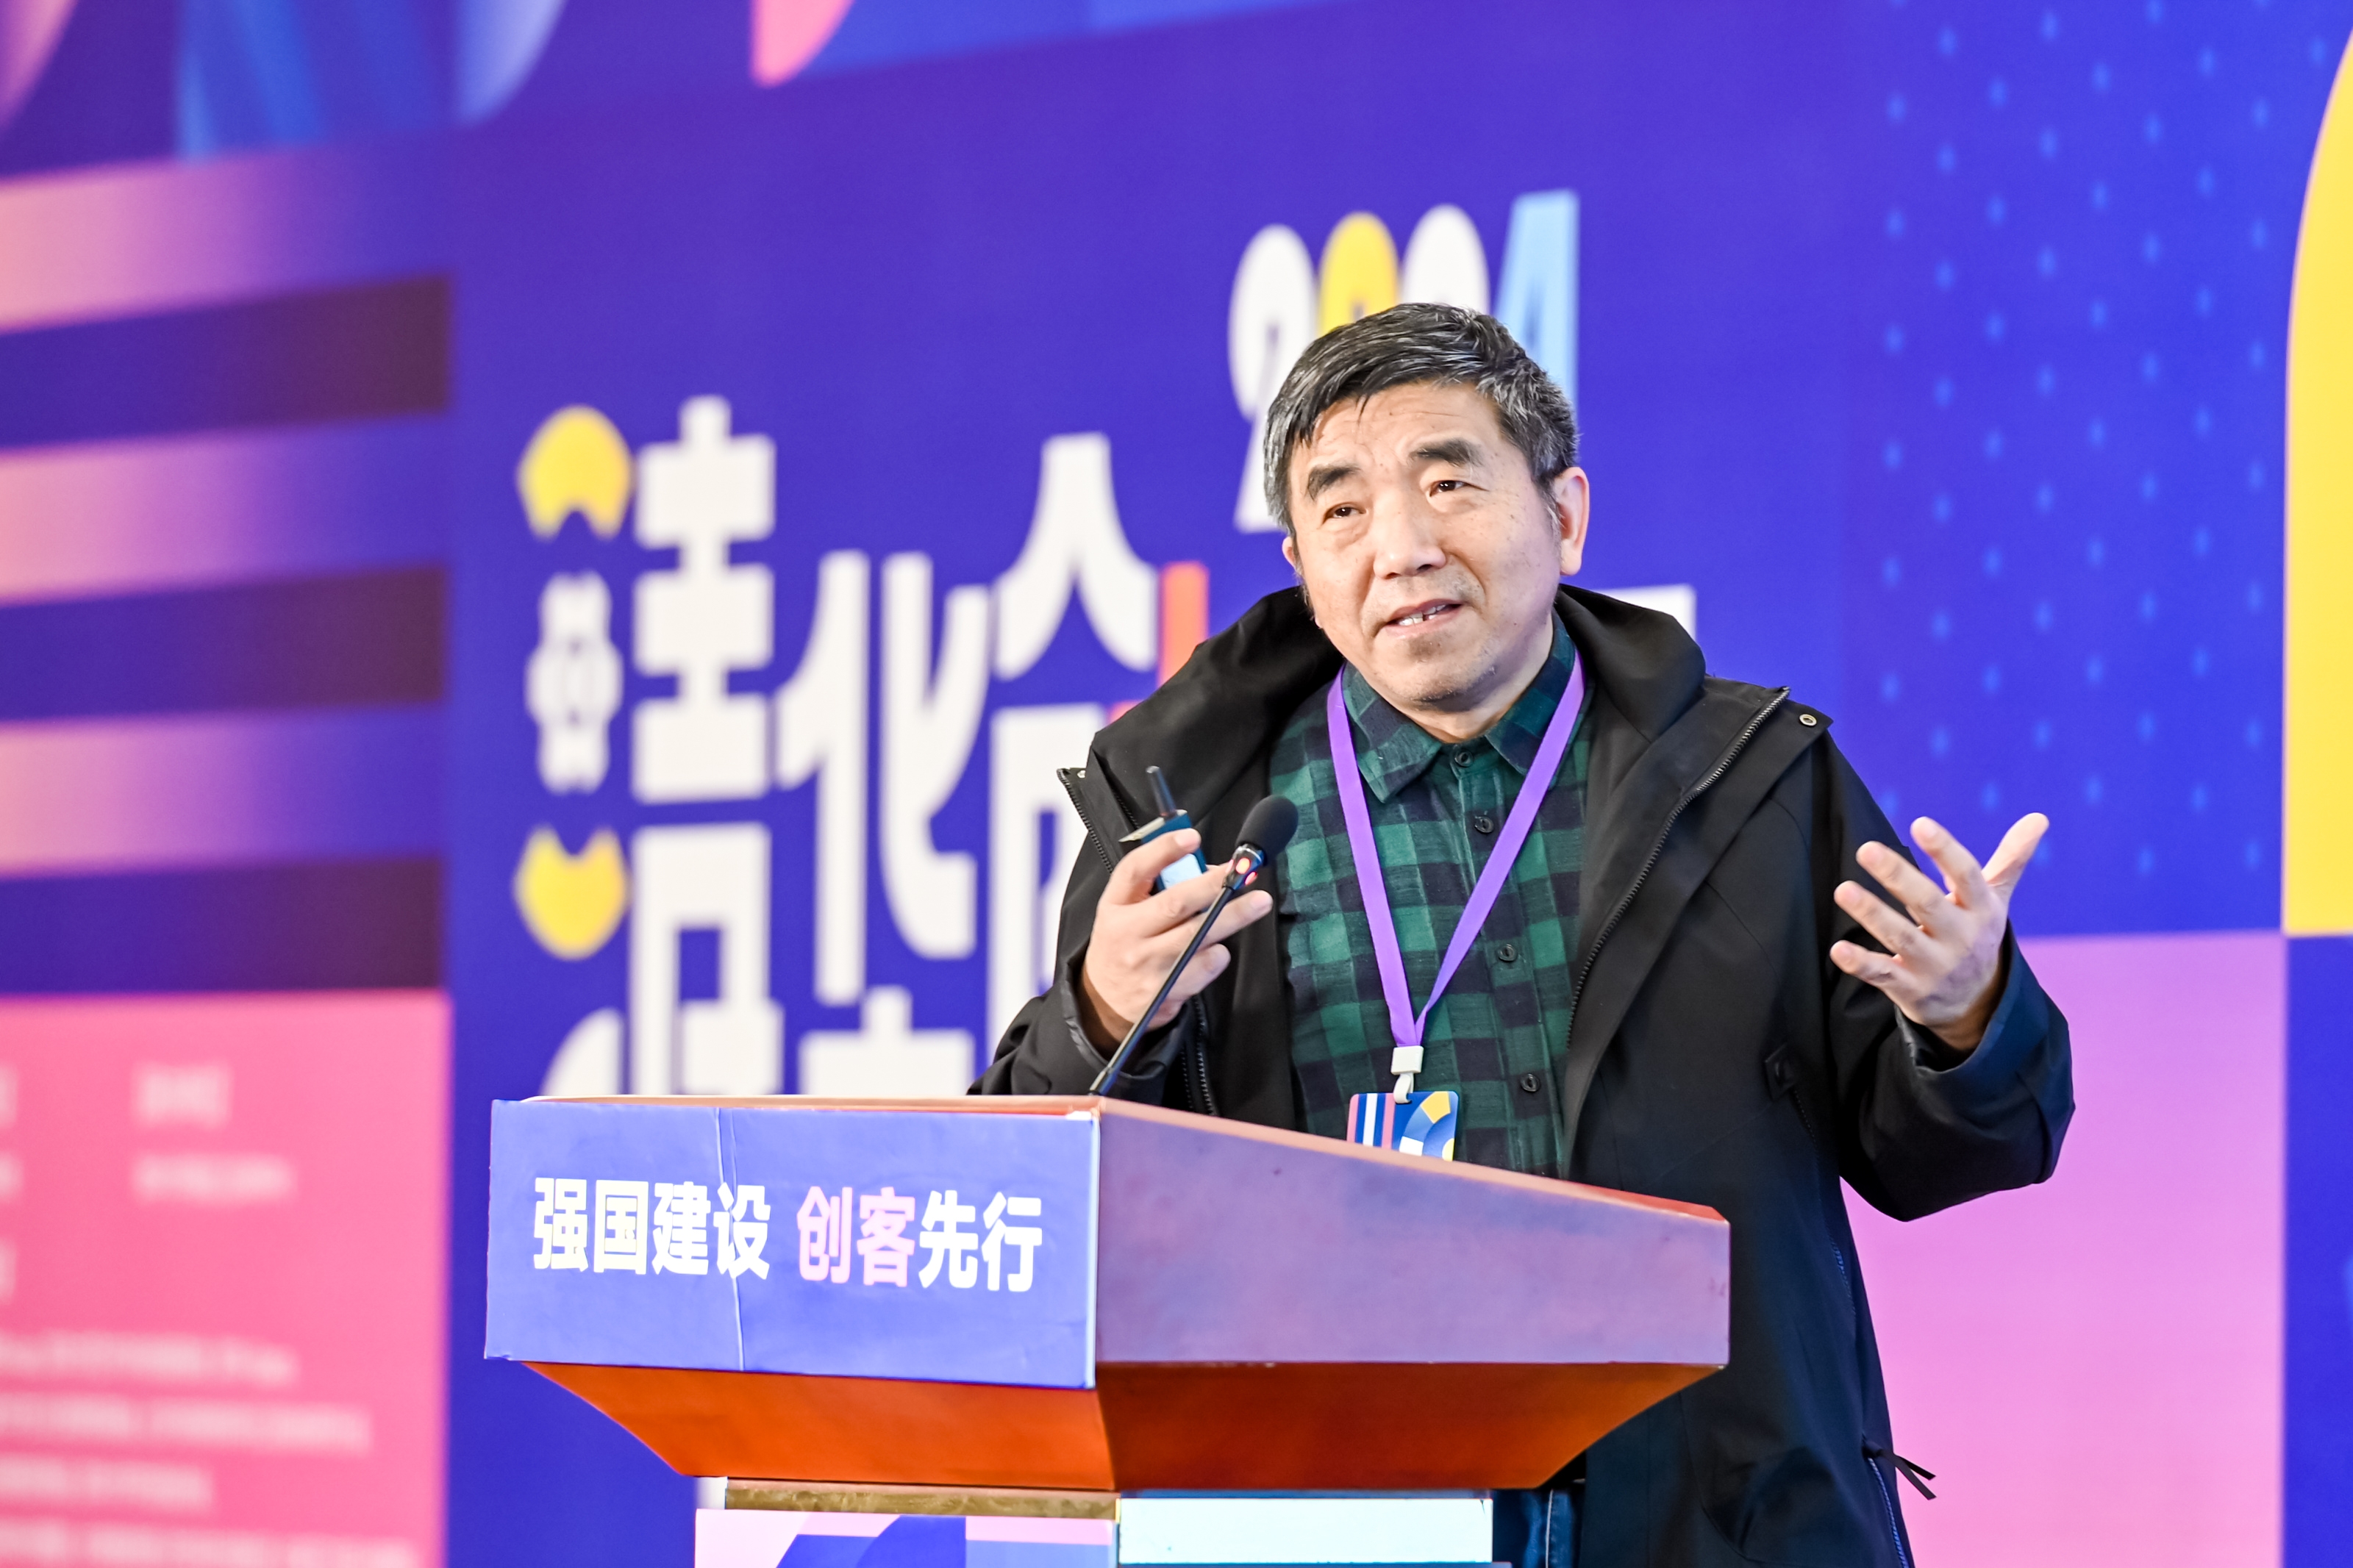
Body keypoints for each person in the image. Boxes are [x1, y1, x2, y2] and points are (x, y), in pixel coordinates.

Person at [976, 303, 2073, 1568]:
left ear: (1565, 515)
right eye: (1343, 508)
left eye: (1448, 482)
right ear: (1303, 569)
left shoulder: (1754, 781)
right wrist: (1103, 1017)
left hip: (1712, 1524)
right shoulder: (1195, 822)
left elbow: (1955, 1151)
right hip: (1329, 1524)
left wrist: (1966, 1017)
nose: (1402, 546)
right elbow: (1035, 1212)